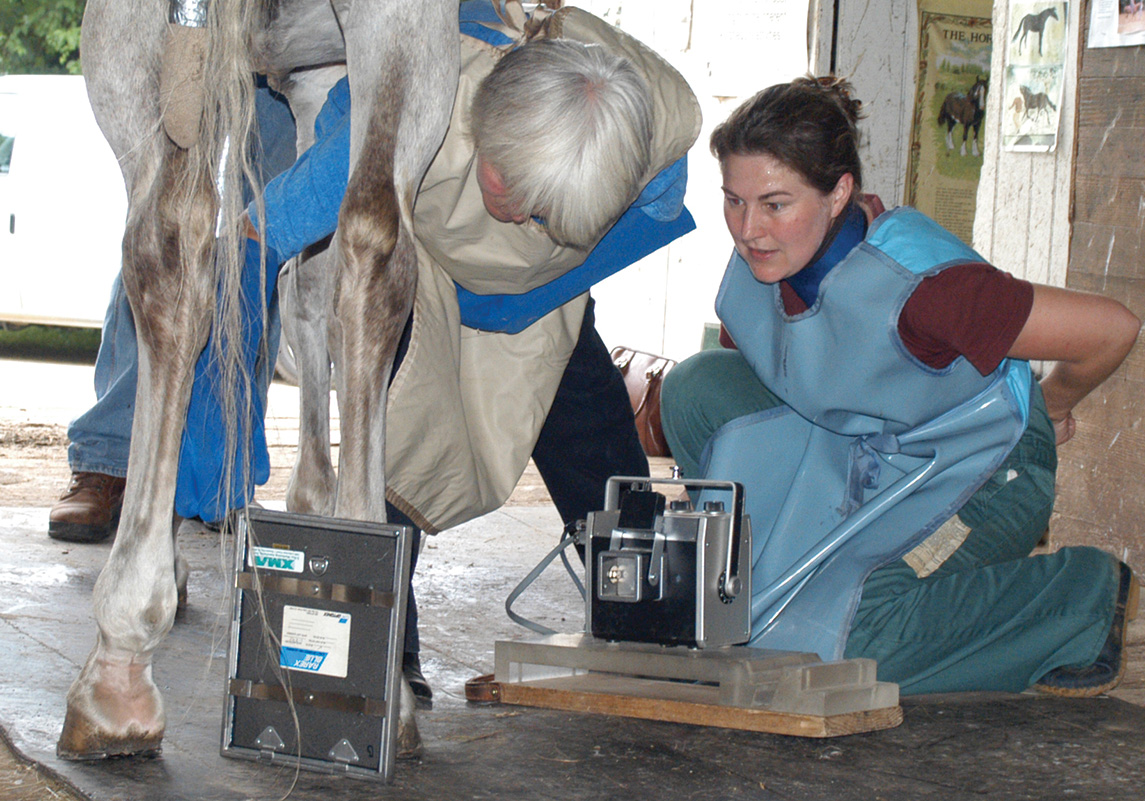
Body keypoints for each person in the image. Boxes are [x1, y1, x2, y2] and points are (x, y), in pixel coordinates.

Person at [50, 3, 701, 705]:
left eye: (540, 211)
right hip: (438, 246)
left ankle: (645, 618)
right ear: (483, 125)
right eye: (511, 192)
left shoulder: (656, 144)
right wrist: (212, 416)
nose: (518, 212)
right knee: (389, 378)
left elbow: (652, 212)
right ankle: (387, 643)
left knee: (578, 386)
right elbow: (252, 241)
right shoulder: (411, 122)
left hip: (536, 274)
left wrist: (534, 289)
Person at [661, 76, 1141, 697]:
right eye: (734, 200)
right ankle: (747, 584)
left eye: (775, 204)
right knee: (696, 388)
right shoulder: (770, 258)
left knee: (845, 645)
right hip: (866, 448)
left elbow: (1112, 328)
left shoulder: (928, 290)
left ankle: (1081, 600)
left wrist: (1052, 405)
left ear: (838, 194)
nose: (749, 228)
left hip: (980, 472)